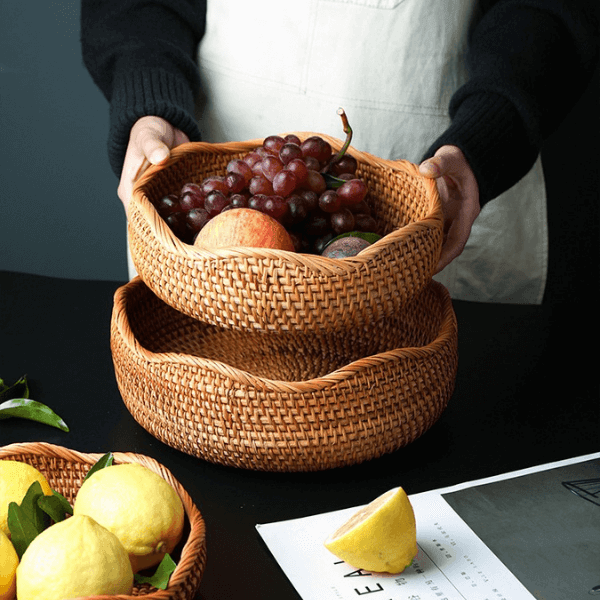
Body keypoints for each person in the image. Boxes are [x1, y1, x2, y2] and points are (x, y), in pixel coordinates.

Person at [81, 0, 598, 303]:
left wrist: (489, 135)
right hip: (211, 179)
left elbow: (549, 9)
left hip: (445, 178)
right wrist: (150, 104)